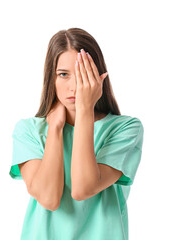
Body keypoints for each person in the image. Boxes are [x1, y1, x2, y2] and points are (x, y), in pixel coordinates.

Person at [9, 27, 144, 240]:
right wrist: (54, 128)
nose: (74, 87)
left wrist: (84, 110)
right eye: (63, 74)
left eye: (82, 74)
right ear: (51, 79)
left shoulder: (125, 128)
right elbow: (49, 198)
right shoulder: (28, 130)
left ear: (99, 77)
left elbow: (83, 188)